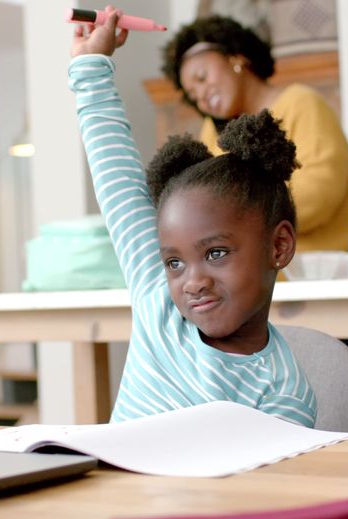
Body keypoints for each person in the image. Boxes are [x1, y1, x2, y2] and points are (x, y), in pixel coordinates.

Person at [69, 6, 316, 427]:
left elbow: (262, 489)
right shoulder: (158, 302)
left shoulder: (283, 390)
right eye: (174, 263)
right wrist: (90, 64)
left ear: (278, 246)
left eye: (216, 253)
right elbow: (119, 183)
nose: (193, 281)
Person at [161, 15, 348, 253]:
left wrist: (236, 216)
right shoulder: (213, 132)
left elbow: (321, 191)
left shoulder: (301, 103)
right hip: (247, 282)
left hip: (316, 275)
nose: (201, 95)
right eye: (192, 94)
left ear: (236, 57)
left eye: (202, 77)